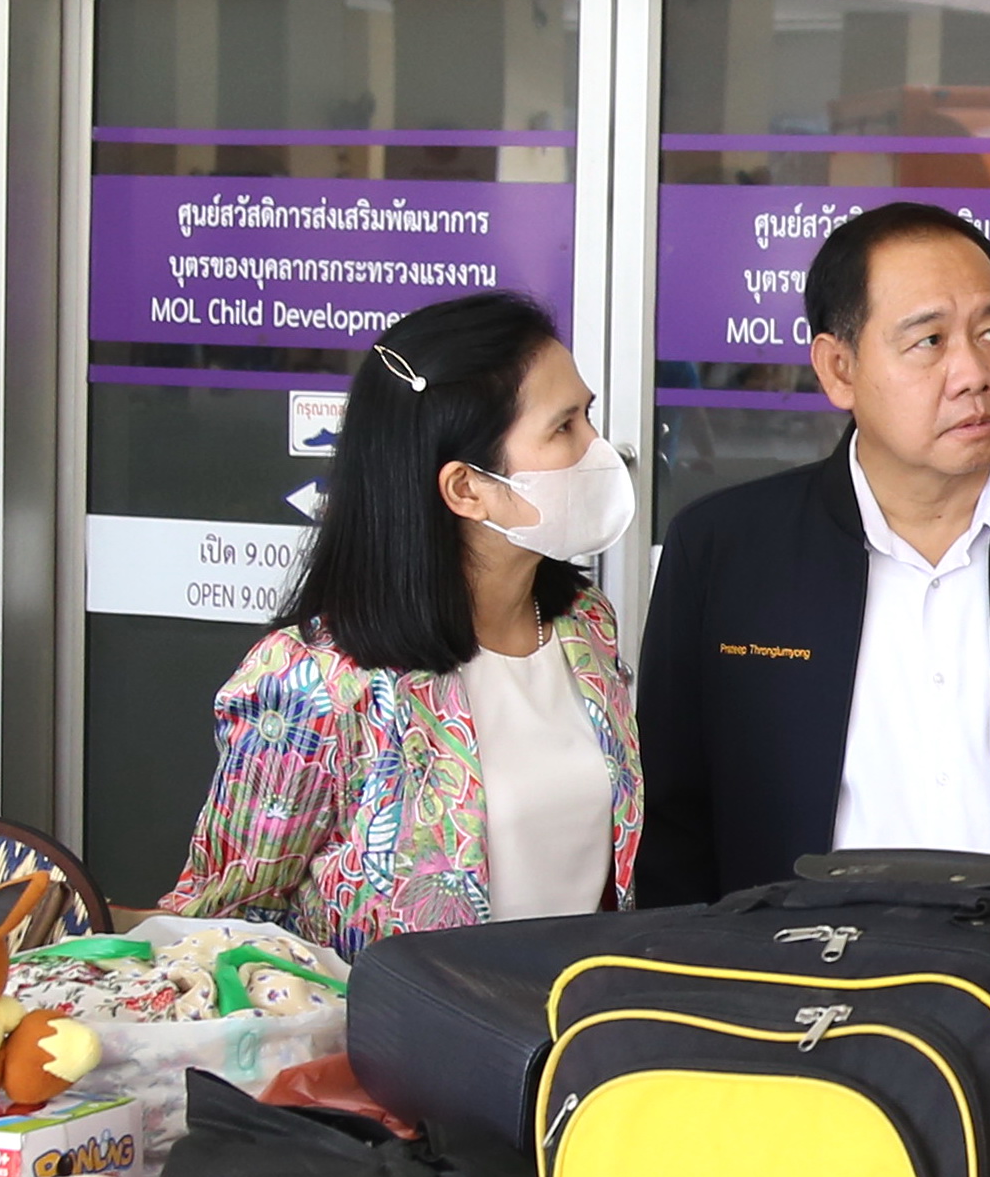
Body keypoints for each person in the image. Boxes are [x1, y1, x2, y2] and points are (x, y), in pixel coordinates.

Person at [632, 200, 990, 925]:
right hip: (795, 978)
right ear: (839, 369)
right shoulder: (725, 551)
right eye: (928, 341)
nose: (974, 373)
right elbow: (673, 828)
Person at [163, 287, 639, 957]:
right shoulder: (316, 677)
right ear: (466, 488)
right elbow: (219, 923)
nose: (598, 448)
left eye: (588, 415)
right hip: (385, 1024)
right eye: (564, 427)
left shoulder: (584, 625)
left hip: (571, 1011)